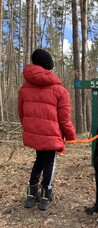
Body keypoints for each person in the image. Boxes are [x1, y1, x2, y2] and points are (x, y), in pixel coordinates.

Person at [18, 49, 76, 210]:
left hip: (35, 133)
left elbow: (22, 114)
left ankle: (31, 194)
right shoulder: (60, 91)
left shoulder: (24, 88)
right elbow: (64, 119)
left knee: (39, 160)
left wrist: (31, 129)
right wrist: (70, 136)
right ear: (49, 67)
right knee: (49, 162)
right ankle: (45, 195)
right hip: (52, 135)